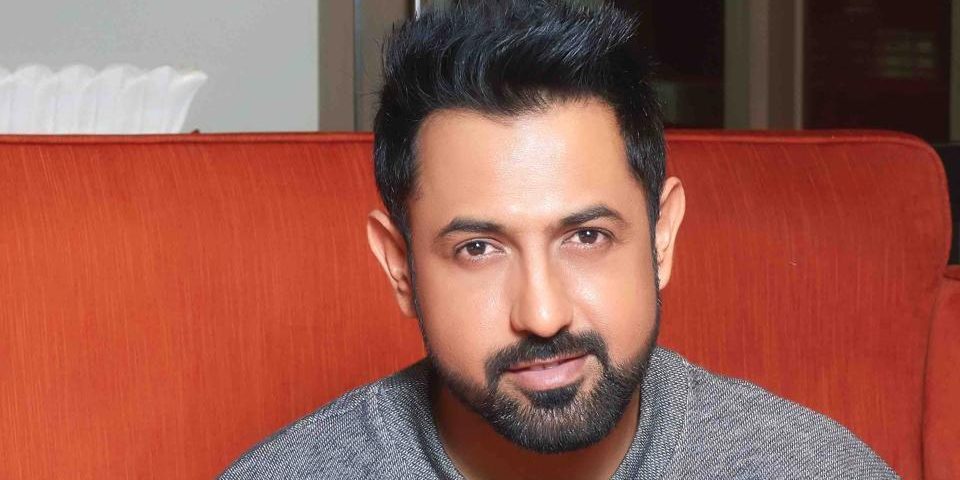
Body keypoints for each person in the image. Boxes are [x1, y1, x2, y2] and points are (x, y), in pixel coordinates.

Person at [220, 1, 897, 478]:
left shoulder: (812, 468)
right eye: (478, 249)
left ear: (662, 237)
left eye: (587, 236)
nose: (543, 315)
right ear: (400, 267)